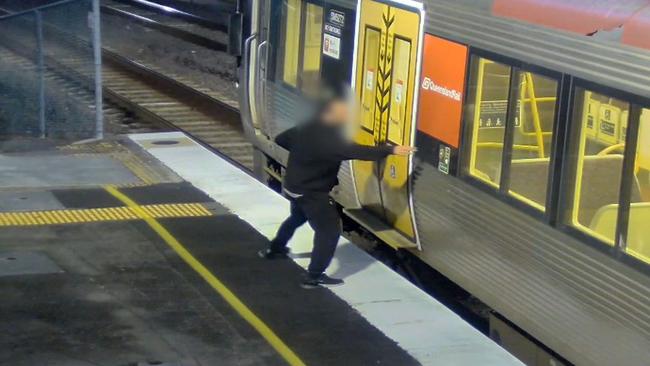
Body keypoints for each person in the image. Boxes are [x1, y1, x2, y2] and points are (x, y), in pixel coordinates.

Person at [258, 95, 415, 289]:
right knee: (329, 232)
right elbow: (362, 152)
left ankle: (275, 249)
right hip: (312, 193)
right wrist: (392, 151)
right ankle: (313, 276)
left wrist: (304, 156)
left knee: (296, 218)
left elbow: (281, 139)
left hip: (293, 186)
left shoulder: (308, 128)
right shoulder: (332, 142)